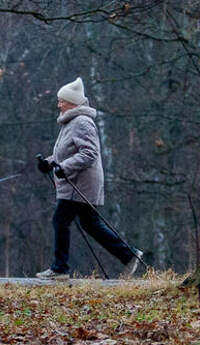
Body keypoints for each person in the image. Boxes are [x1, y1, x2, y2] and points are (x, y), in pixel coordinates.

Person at [36, 77, 143, 280]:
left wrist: (64, 167)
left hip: (80, 184)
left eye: (62, 101)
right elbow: (66, 153)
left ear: (73, 103)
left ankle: (59, 268)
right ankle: (129, 255)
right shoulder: (71, 122)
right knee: (90, 224)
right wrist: (49, 163)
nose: (58, 104)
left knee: (60, 220)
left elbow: (89, 154)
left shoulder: (82, 122)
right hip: (75, 182)